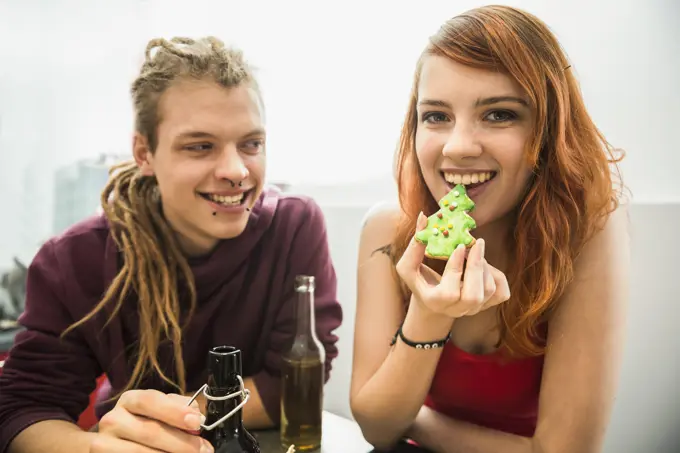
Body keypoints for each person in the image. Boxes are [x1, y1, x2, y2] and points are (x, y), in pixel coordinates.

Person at [0, 36, 343, 453]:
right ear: (144, 153)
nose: (237, 171)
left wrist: (170, 421)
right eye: (200, 146)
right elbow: (23, 410)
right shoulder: (73, 260)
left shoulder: (294, 227)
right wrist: (96, 448)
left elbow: (296, 385)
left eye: (251, 144)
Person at [350, 5, 629, 453]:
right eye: (436, 116)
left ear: (548, 130)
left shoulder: (587, 236)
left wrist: (415, 420)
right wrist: (431, 313)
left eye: (499, 114)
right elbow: (378, 430)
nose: (458, 147)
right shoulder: (388, 231)